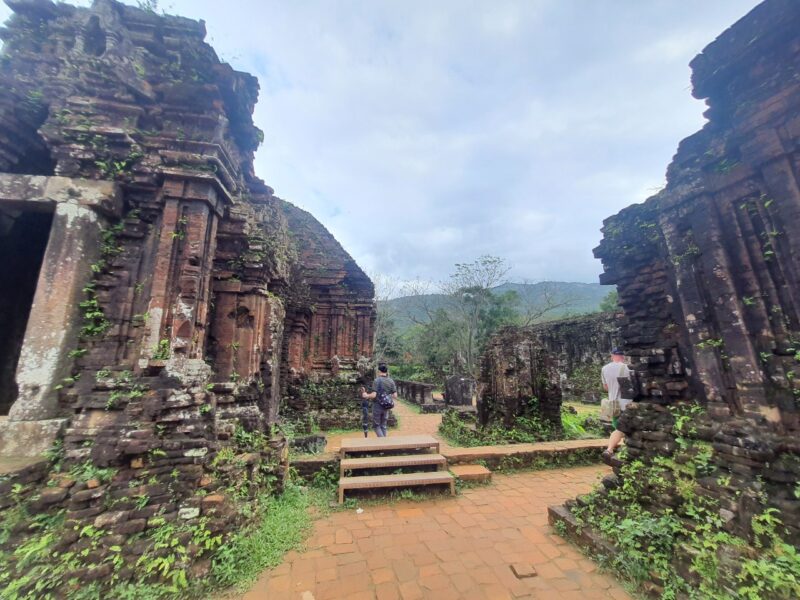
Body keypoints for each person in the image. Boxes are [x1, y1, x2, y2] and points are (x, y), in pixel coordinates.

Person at [601, 348, 631, 461]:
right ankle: (609, 449)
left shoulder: (604, 368)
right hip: (626, 404)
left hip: (613, 405)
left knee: (618, 427)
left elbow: (605, 387)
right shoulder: (627, 368)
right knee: (621, 429)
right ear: (623, 356)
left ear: (612, 356)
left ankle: (612, 450)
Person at [360, 363, 397, 437]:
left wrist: (366, 395)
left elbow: (374, 395)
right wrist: (387, 397)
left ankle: (383, 444)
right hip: (387, 406)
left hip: (377, 405)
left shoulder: (377, 380)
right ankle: (385, 444)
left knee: (376, 426)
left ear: (379, 371)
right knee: (383, 425)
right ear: (386, 372)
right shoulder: (391, 381)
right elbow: (395, 396)